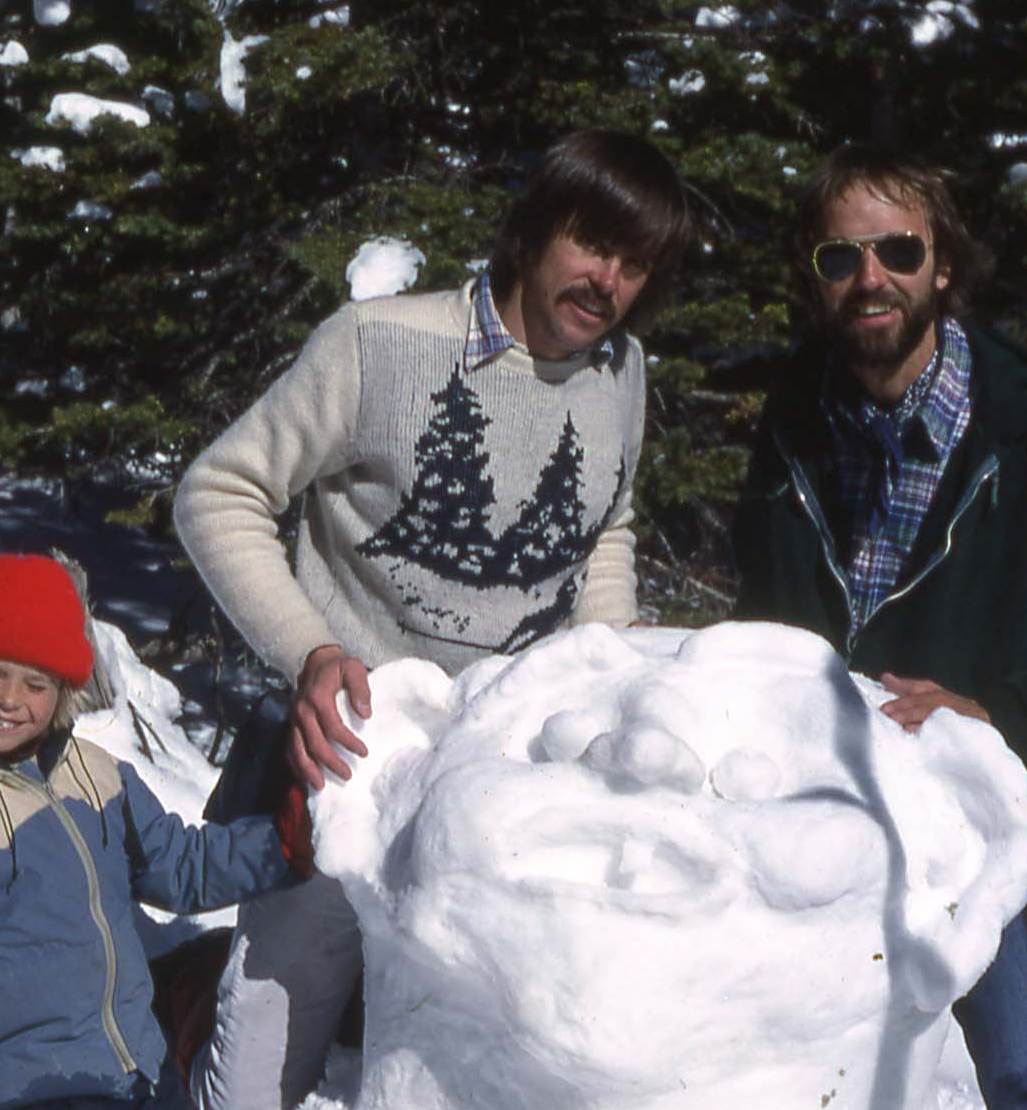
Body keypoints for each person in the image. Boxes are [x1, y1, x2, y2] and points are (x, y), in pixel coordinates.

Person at [174, 129, 691, 1108]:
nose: (609, 282)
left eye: (636, 264)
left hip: (510, 787)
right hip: (351, 769)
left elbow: (606, 528)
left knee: (477, 1077)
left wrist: (611, 679)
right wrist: (312, 652)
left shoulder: (622, 373)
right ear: (535, 229)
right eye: (592, 245)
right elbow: (219, 493)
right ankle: (191, 1002)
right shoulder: (377, 345)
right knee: (253, 1083)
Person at [731, 144, 1027, 1109]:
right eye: (838, 258)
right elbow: (764, 624)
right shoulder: (794, 417)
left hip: (988, 816)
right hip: (819, 820)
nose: (870, 280)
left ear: (942, 264)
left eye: (897, 249)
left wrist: (997, 714)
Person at [0, 553, 309, 1110]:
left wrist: (283, 846)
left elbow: (180, 865)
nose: (9, 699)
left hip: (138, 1072)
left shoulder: (94, 776)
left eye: (35, 683)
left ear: (64, 691)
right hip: (29, 1093)